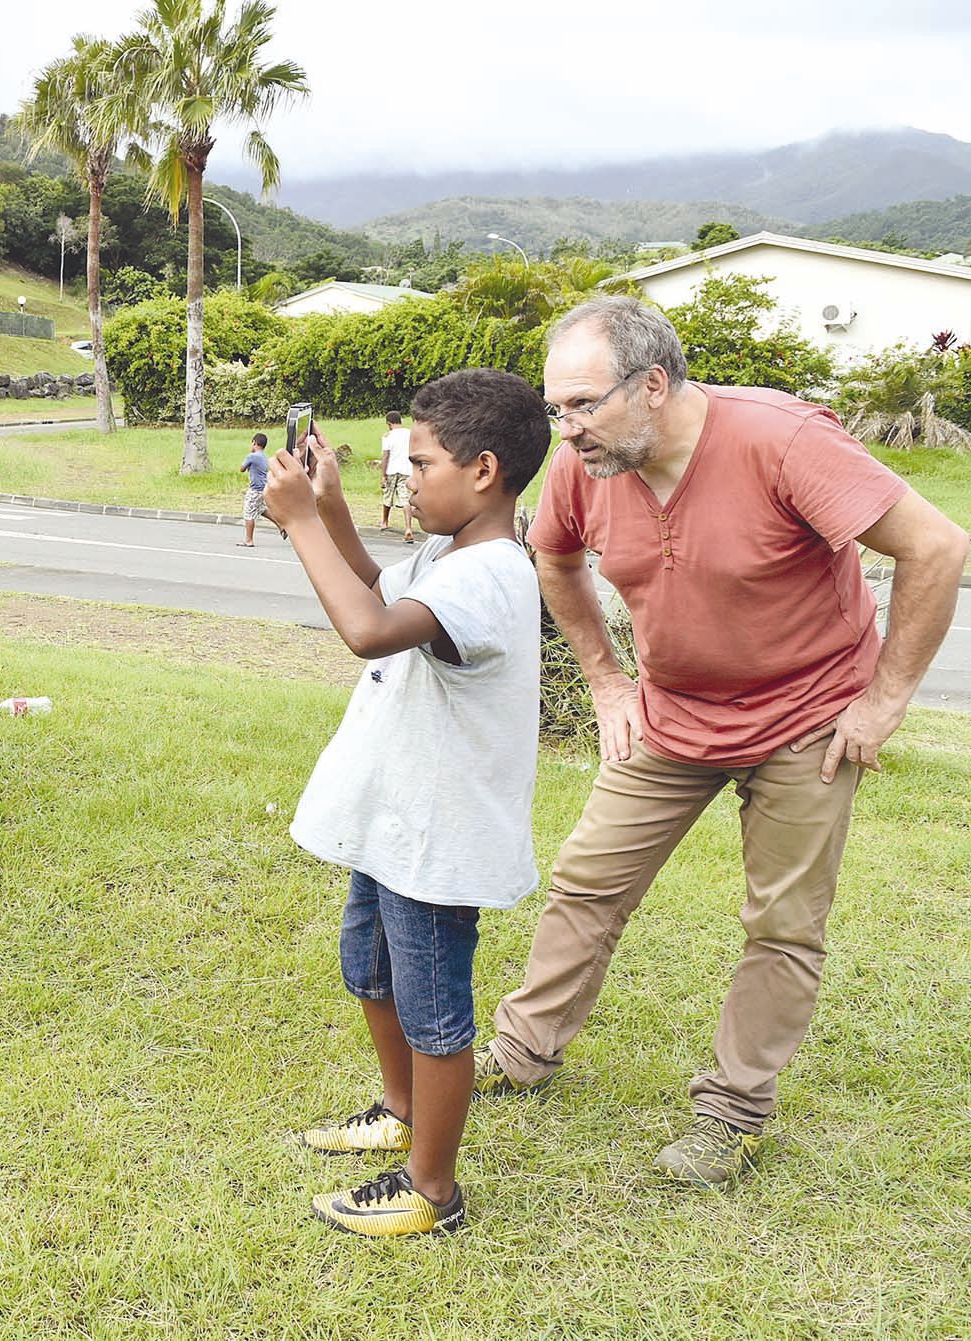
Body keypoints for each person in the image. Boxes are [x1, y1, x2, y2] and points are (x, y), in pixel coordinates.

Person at [478, 297, 969, 1187]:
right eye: (556, 409)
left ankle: (731, 1113)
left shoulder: (781, 441)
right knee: (587, 881)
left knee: (781, 923)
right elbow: (553, 558)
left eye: (583, 405)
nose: (567, 430)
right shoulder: (582, 466)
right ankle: (520, 1053)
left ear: (654, 385)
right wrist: (605, 678)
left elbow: (934, 547)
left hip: (806, 718)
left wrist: (884, 698)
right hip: (671, 712)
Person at [264, 368, 551, 1237]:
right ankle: (399, 1107)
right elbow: (374, 589)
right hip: (395, 824)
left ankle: (433, 1190)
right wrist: (332, 510)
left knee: (434, 1007)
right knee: (371, 968)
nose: (407, 480)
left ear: (483, 470)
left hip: (436, 839)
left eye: (418, 465)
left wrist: (300, 520)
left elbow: (367, 631)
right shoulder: (446, 554)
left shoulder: (492, 573)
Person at [380, 409, 415, 543]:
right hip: (407, 470)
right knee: (405, 498)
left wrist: (382, 475)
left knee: (388, 496)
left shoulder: (388, 436)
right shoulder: (410, 434)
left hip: (391, 470)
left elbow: (385, 456)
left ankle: (384, 522)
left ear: (389, 423)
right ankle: (408, 528)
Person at [237, 432, 270, 546]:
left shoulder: (252, 456)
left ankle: (249, 540)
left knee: (249, 513)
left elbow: (241, 468)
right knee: (261, 509)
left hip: (255, 489)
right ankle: (281, 525)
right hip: (264, 488)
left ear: (254, 443)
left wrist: (250, 455)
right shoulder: (265, 457)